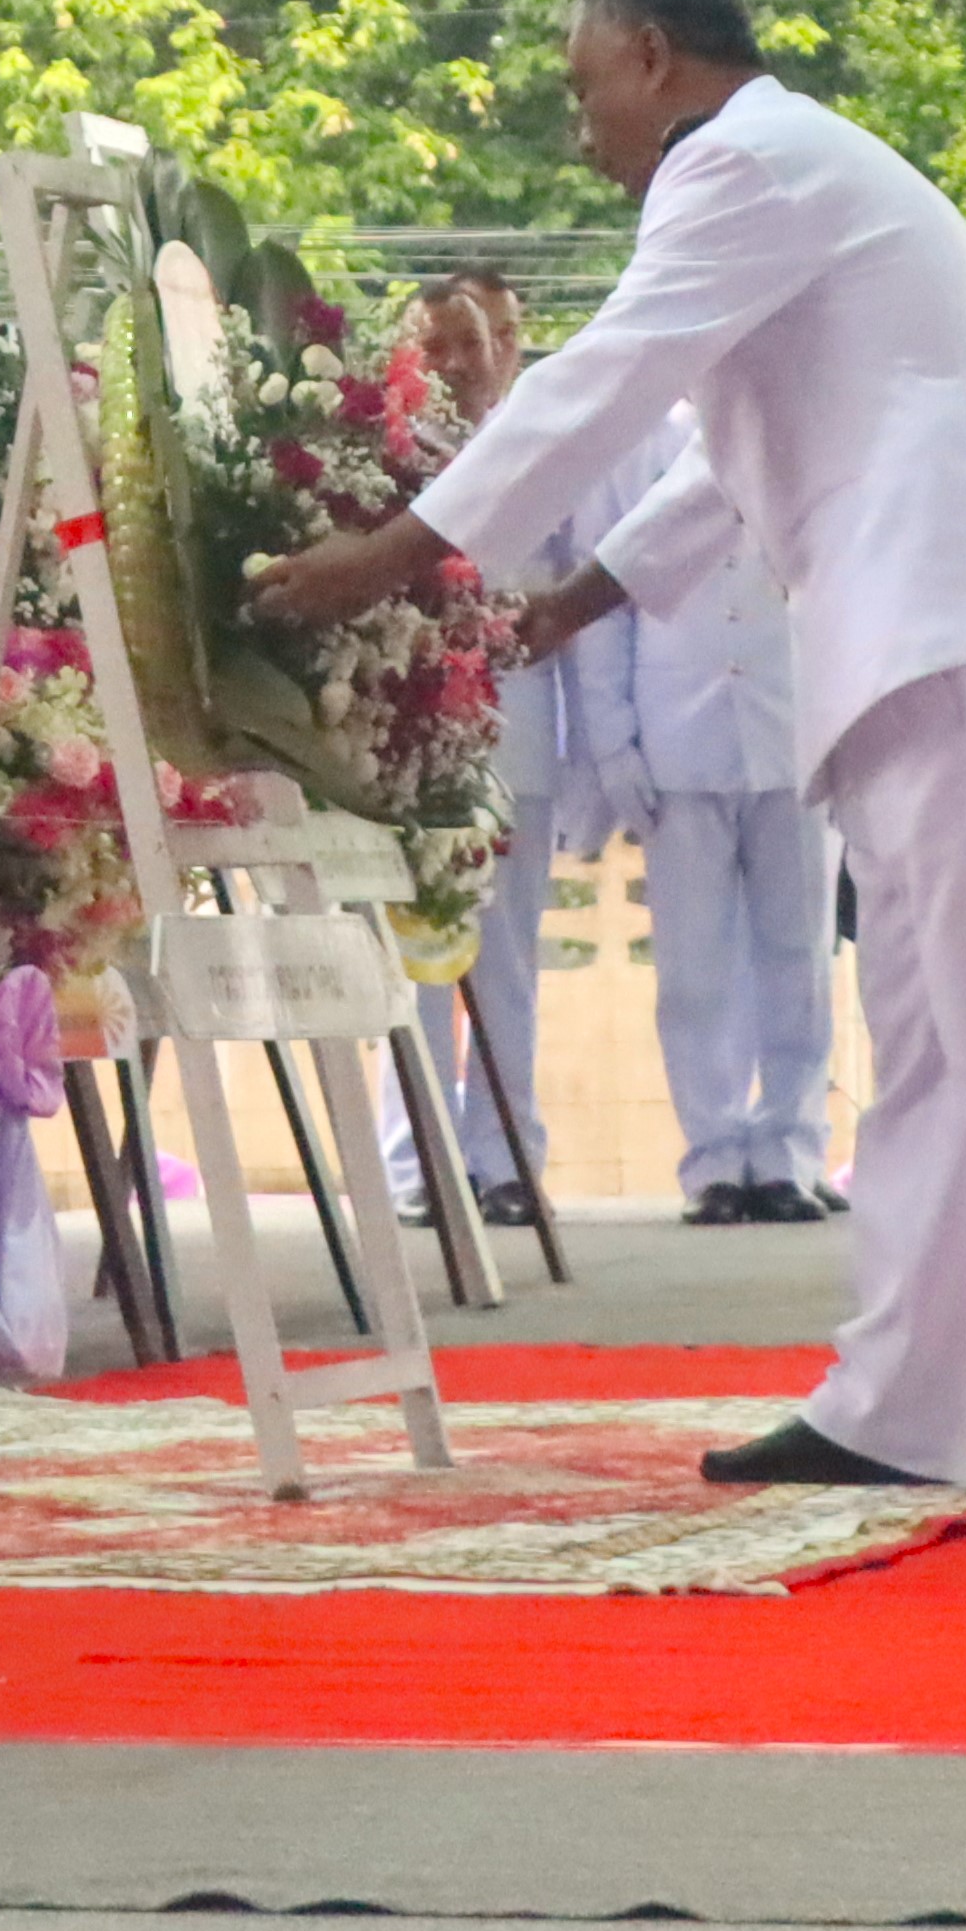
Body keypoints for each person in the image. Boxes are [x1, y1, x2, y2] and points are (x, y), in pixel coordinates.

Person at [250, 0, 966, 1503]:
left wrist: (388, 554)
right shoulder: (796, 166)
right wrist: (572, 602)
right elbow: (719, 460)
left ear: (651, 55)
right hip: (913, 621)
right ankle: (897, 1401)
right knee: (933, 1044)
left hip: (934, 613)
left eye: (583, 85)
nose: (580, 126)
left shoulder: (736, 167)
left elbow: (602, 378)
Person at [559, 401, 845, 1227]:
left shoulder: (802, 429)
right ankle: (713, 1157)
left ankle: (789, 1151)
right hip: (676, 731)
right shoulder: (632, 443)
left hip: (790, 725)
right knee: (692, 970)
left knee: (799, 957)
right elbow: (600, 605)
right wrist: (615, 743)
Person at [383, 271, 585, 1232]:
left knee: (506, 961)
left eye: (472, 342)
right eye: (437, 346)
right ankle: (419, 1160)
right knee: (415, 956)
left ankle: (507, 1159)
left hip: (518, 735)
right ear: (407, 355)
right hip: (408, 743)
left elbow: (573, 602)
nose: (458, 363)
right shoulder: (377, 453)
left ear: (501, 348)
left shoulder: (540, 445)